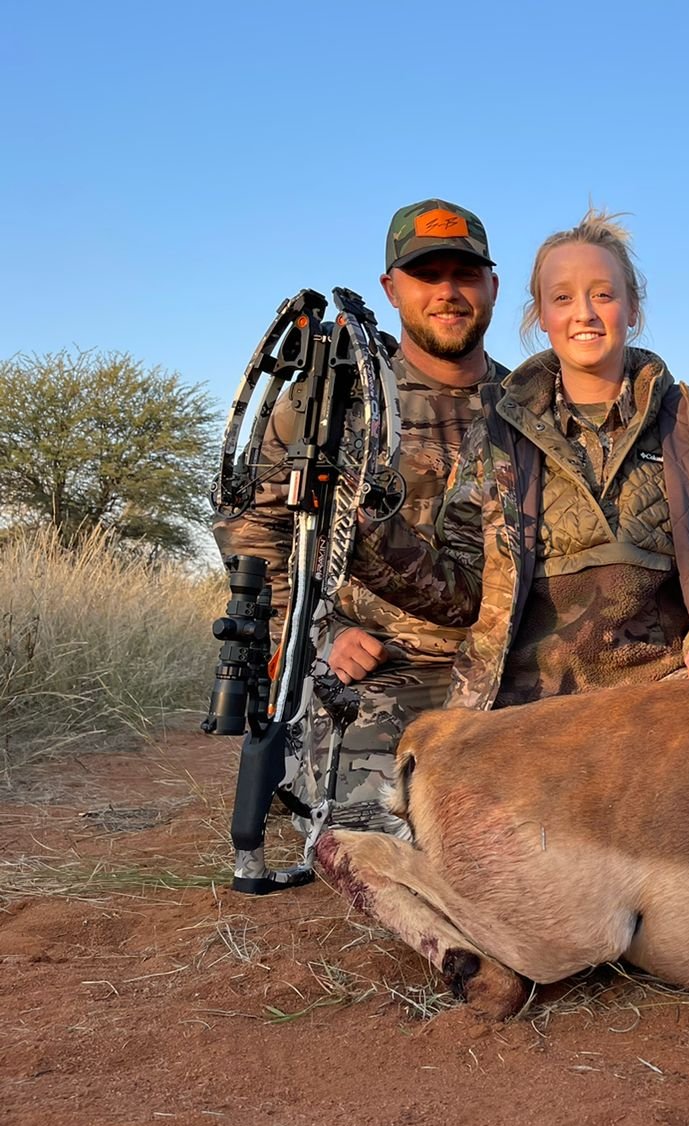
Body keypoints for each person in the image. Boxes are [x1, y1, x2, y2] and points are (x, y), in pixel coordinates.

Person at [349, 209, 689, 710]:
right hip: (526, 708)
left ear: (633, 308)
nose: (584, 313)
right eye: (563, 297)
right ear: (541, 315)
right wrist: (362, 532)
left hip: (669, 692)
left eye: (604, 294)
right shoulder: (497, 435)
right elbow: (464, 594)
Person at [214, 198, 509, 829]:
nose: (448, 292)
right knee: (370, 835)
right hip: (380, 665)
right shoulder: (328, 400)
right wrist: (320, 637)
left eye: (465, 274)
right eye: (428, 274)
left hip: (513, 663)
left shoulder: (530, 407)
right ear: (391, 289)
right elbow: (255, 534)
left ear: (493, 284)